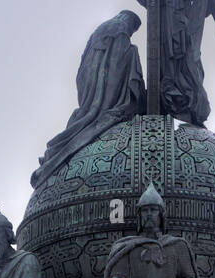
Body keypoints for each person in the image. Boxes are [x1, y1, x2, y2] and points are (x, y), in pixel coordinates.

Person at [32, 11, 145, 185]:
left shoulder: (100, 30)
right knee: (132, 52)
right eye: (133, 30)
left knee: (89, 113)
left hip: (90, 85)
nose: (130, 33)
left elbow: (85, 64)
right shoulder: (121, 30)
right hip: (106, 90)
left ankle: (95, 110)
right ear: (129, 22)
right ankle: (102, 109)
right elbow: (116, 65)